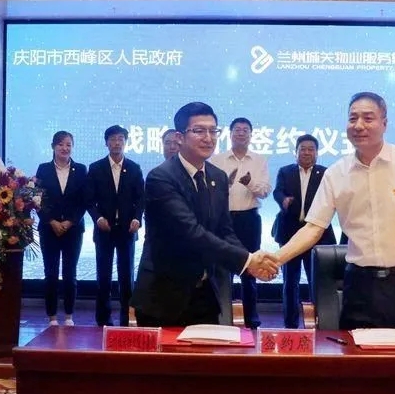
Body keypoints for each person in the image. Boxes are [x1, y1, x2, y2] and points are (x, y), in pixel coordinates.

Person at [273, 92, 395, 331]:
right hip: (360, 284)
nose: (359, 125)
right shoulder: (336, 173)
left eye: (368, 118)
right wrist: (276, 259)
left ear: (384, 123)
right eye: (353, 118)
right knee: (356, 351)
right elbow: (313, 228)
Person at [131, 102, 279, 327]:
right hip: (163, 297)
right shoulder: (160, 178)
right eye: (199, 131)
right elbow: (190, 232)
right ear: (180, 137)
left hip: (205, 296)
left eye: (213, 131)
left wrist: (251, 263)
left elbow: (224, 230)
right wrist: (248, 261)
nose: (208, 138)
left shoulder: (217, 176)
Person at [211, 117, 271, 328]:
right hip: (223, 219)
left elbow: (265, 191)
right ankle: (222, 316)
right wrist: (225, 184)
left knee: (250, 268)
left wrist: (249, 182)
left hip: (249, 219)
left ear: (251, 135)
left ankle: (251, 319)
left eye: (245, 130)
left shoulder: (259, 160)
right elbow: (210, 190)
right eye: (237, 129)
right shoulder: (217, 160)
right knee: (222, 269)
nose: (241, 133)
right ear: (230, 134)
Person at [272, 134, 336, 328]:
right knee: (290, 282)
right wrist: (283, 200)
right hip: (289, 233)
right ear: (296, 152)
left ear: (317, 153)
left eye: (311, 149)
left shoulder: (325, 173)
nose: (307, 152)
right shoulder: (285, 171)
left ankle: (319, 321)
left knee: (315, 281)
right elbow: (277, 191)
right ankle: (290, 325)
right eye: (303, 149)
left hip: (317, 236)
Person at [86, 125, 145, 327]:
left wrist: (137, 218)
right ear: (106, 143)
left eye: (120, 139)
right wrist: (97, 218)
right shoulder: (96, 168)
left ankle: (126, 317)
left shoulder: (134, 168)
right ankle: (103, 317)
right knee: (103, 275)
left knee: (126, 276)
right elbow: (89, 200)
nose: (117, 143)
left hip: (127, 230)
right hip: (104, 229)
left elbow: (141, 198)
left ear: (125, 142)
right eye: (112, 139)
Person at [35, 131, 88, 327]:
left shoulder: (81, 169)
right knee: (50, 273)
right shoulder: (43, 169)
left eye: (68, 145)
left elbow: (85, 200)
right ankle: (51, 316)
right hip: (49, 228)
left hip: (73, 229)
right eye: (60, 144)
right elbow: (38, 199)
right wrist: (51, 221)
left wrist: (70, 222)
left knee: (70, 273)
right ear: (53, 147)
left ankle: (68, 316)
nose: (65, 148)